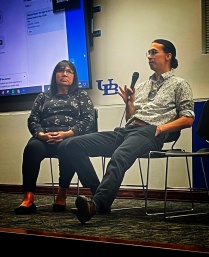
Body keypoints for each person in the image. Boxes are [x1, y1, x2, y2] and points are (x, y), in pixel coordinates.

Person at [62, 39, 195, 224]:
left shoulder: (180, 84)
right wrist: (129, 103)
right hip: (128, 131)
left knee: (120, 155)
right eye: (148, 53)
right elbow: (130, 118)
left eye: (154, 52)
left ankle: (96, 205)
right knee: (73, 144)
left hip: (151, 133)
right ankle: (98, 196)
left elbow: (188, 118)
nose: (149, 56)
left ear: (168, 56)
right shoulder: (141, 86)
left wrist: (161, 128)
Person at [14, 60, 97, 215]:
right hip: (44, 137)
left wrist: (67, 134)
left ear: (74, 76)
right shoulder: (43, 96)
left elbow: (88, 120)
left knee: (68, 147)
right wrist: (41, 135)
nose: (64, 74)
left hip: (69, 136)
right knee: (31, 149)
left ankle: (62, 192)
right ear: (55, 75)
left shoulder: (81, 95)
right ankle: (28, 198)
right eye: (61, 70)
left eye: (69, 71)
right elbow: (33, 119)